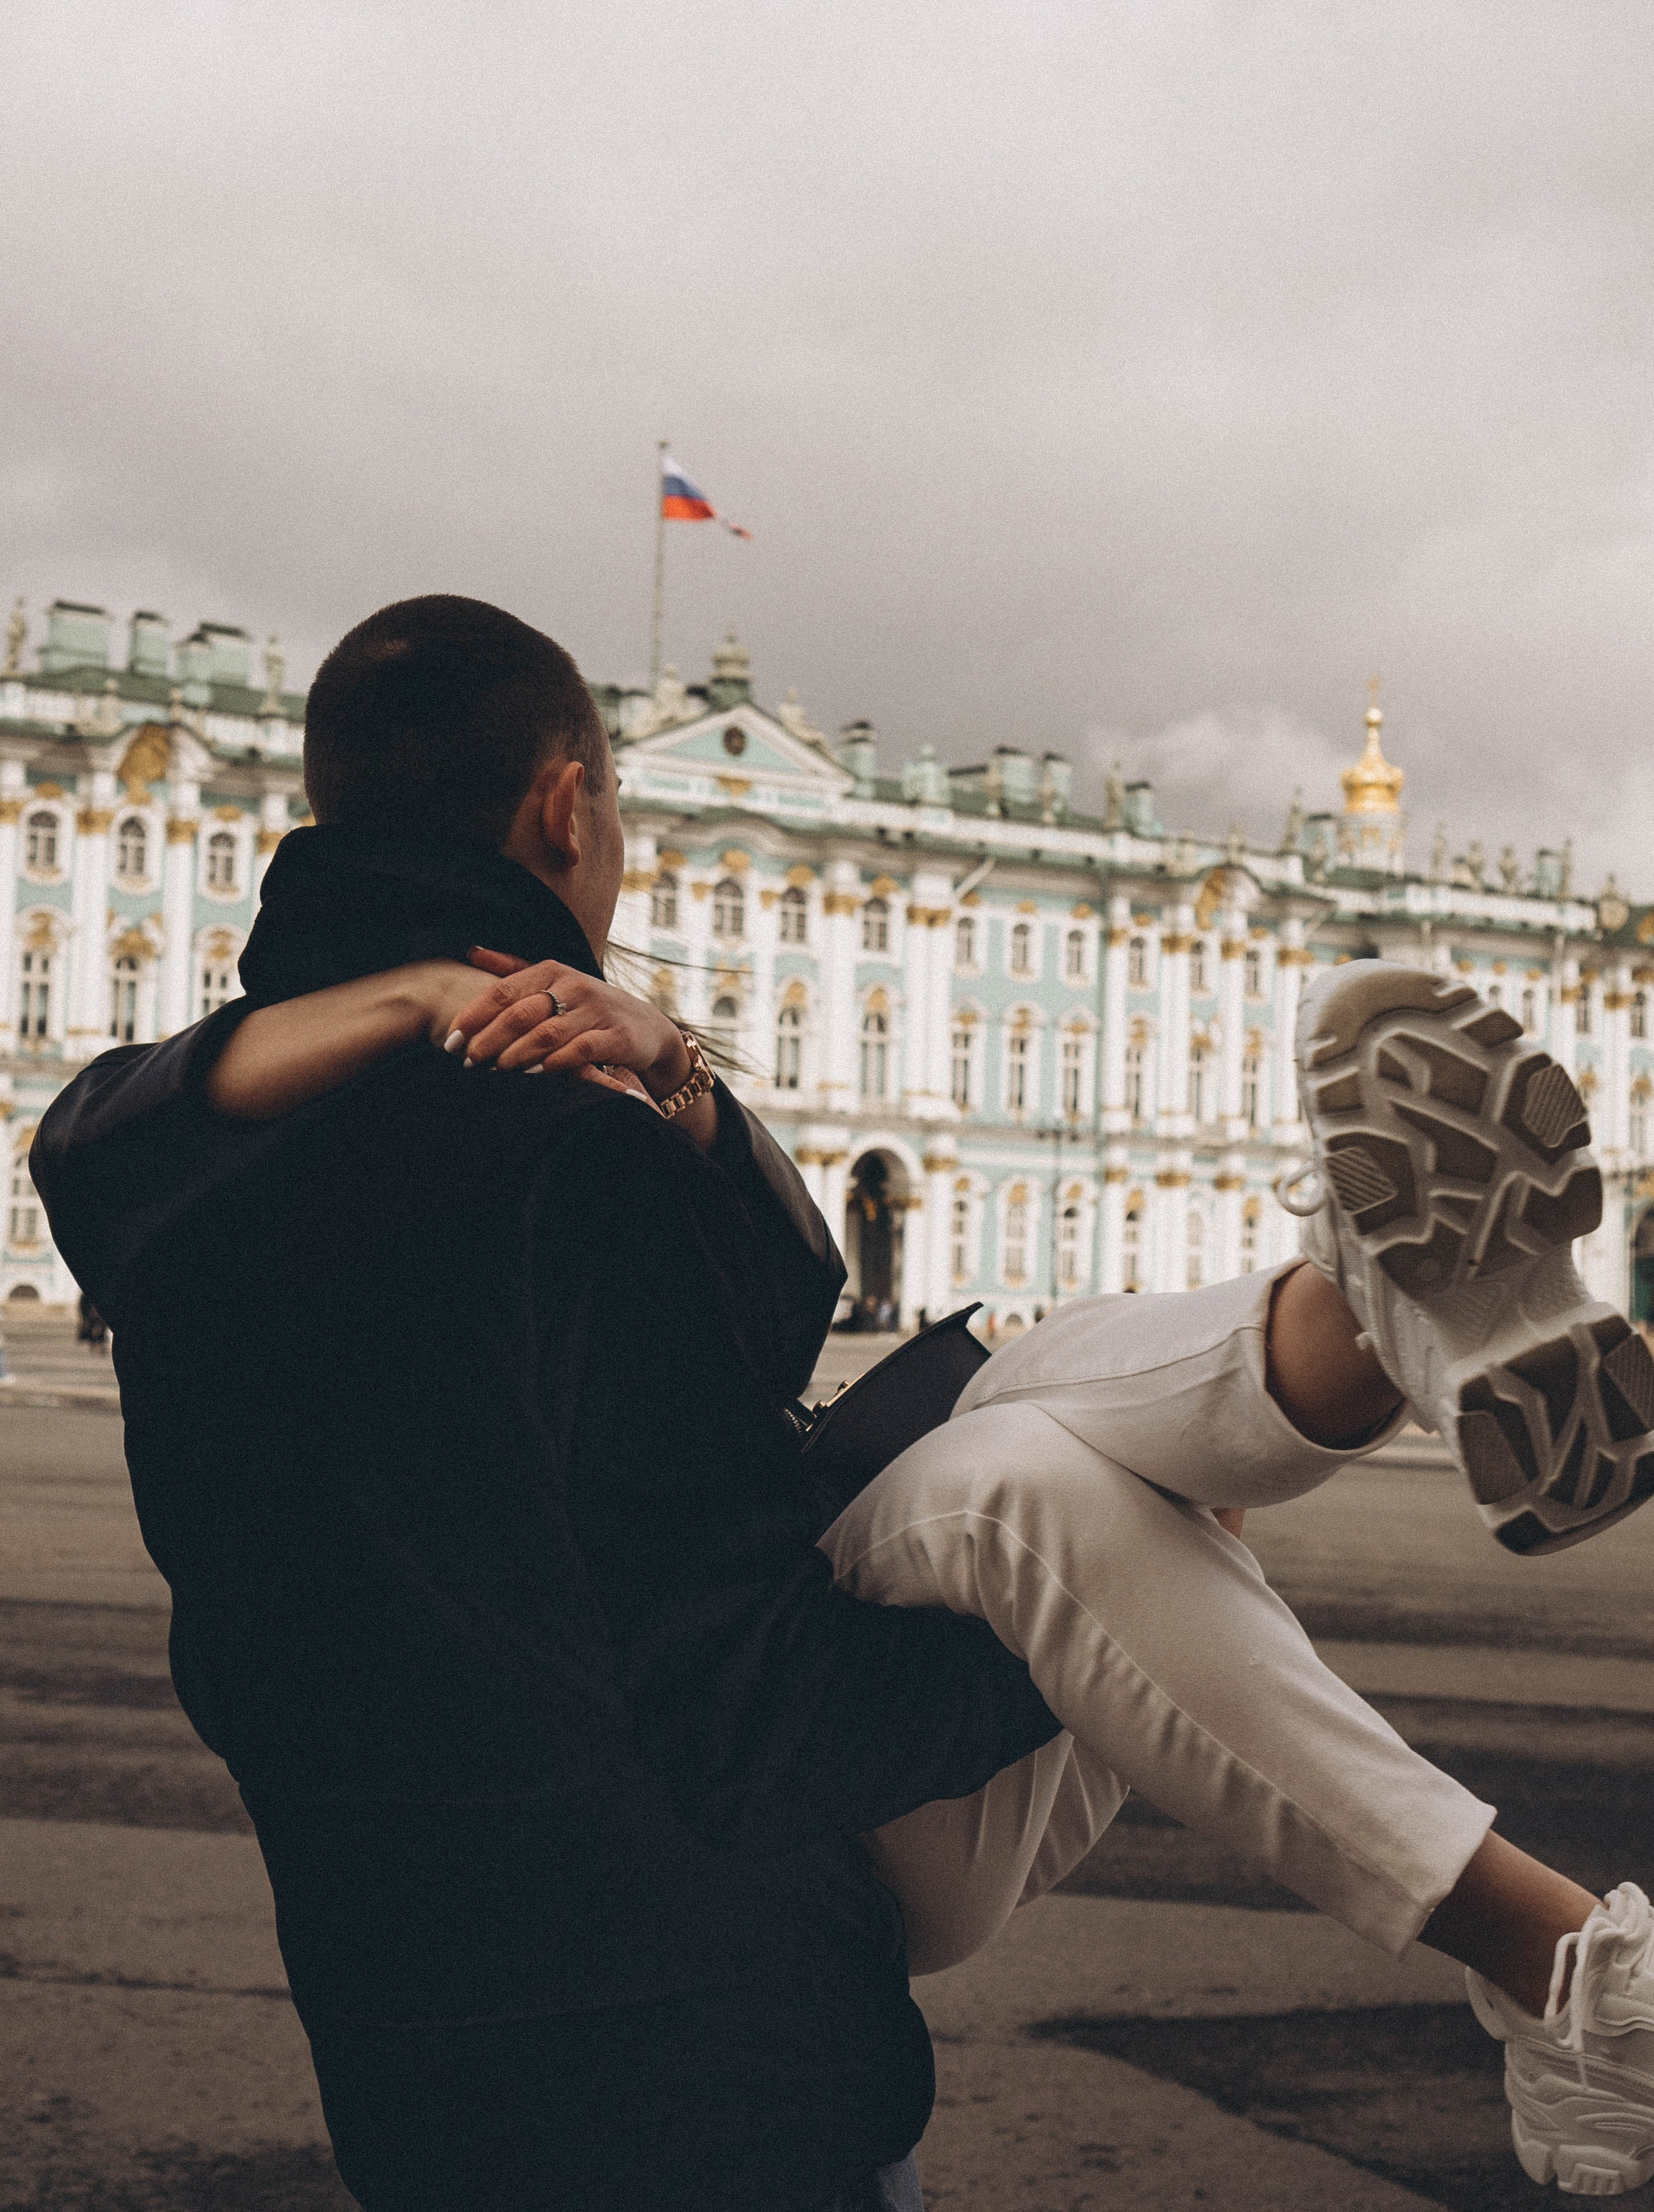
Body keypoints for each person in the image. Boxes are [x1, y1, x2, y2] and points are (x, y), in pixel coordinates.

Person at [37, 594, 1654, 2200]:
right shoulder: (560, 1148)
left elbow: (92, 1141)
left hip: (404, 1983)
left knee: (1024, 1422)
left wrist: (573, 1049)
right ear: (571, 803)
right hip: (705, 1964)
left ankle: (1375, 1345)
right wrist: (1064, 1647)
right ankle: (1358, 1336)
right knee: (1037, 1483)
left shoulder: (172, 1168)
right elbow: (730, 1648)